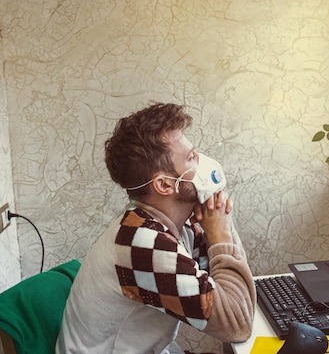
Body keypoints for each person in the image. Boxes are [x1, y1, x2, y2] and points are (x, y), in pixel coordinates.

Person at [56, 102, 256, 354]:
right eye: (191, 157)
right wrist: (222, 235)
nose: (202, 161)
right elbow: (237, 324)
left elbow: (230, 294)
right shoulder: (142, 242)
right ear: (164, 184)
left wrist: (217, 227)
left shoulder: (167, 225)